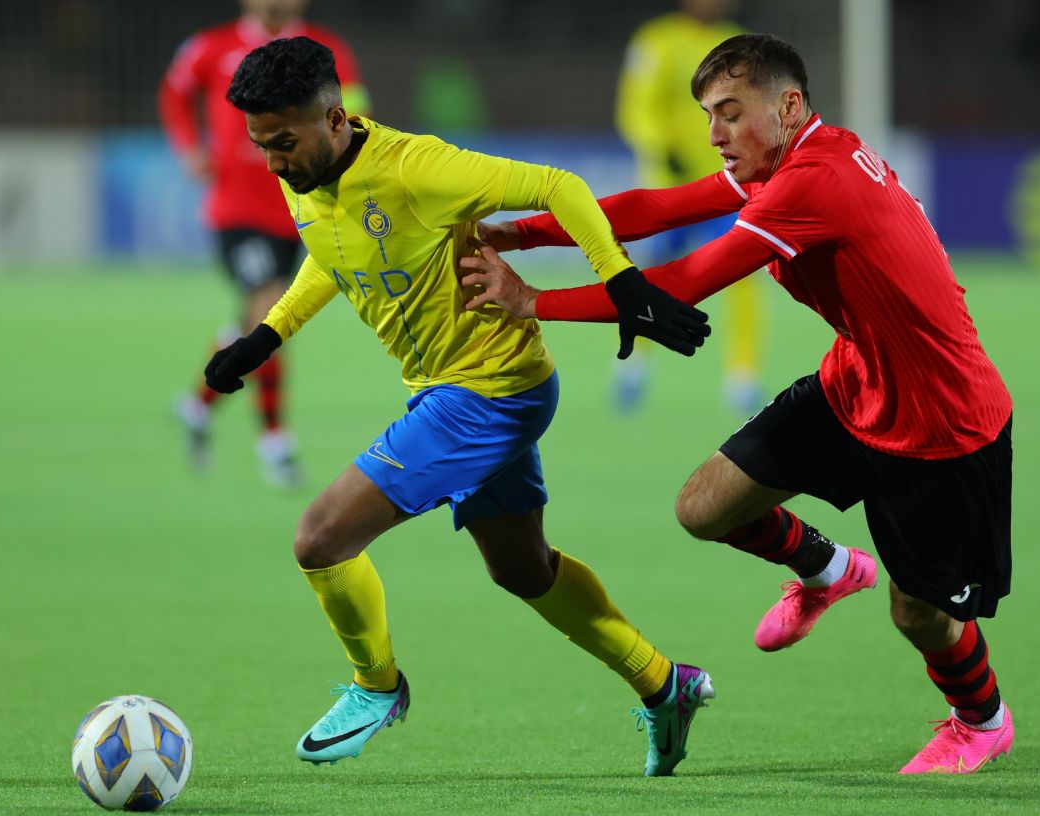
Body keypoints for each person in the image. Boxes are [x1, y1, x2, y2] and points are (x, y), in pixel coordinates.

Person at [464, 34, 1016, 775]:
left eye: (730, 112)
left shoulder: (814, 182)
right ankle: (827, 569)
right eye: (707, 116)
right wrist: (523, 231)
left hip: (941, 424)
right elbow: (655, 207)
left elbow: (685, 279)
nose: (715, 134)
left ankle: (982, 719)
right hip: (855, 384)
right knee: (703, 506)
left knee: (919, 614)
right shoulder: (782, 160)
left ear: (789, 106)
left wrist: (532, 300)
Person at [204, 36, 714, 775]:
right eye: (262, 147)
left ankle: (377, 685)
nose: (275, 162)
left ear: (336, 117)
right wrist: (268, 333)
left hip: (488, 394)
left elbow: (558, 185)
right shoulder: (306, 172)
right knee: (523, 568)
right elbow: (332, 247)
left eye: (283, 143)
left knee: (319, 539)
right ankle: (667, 684)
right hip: (469, 386)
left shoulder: (417, 169)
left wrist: (623, 283)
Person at [159, 0, 369, 487]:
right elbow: (174, 95)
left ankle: (198, 405)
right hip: (236, 210)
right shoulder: (212, 46)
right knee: (269, 308)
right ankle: (275, 441)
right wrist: (189, 147)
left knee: (251, 318)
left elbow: (354, 110)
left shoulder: (328, 50)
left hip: (298, 210)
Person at [614, 0, 763, 414]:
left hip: (727, 184)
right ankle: (635, 362)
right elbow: (636, 107)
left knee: (743, 275)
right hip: (671, 186)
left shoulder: (740, 45)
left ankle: (742, 376)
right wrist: (662, 148)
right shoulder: (657, 41)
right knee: (650, 278)